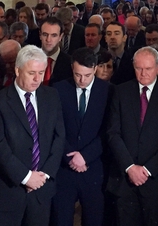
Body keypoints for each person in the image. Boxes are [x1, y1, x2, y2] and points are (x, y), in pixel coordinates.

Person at [0, 45, 66, 225]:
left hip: (41, 192)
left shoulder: (51, 96)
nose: (37, 79)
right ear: (17, 70)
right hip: (7, 192)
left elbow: (59, 138)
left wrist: (43, 175)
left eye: (41, 72)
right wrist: (26, 177)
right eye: (32, 73)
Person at [106, 47, 158, 226]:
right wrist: (130, 167)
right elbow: (113, 133)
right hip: (125, 182)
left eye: (148, 69)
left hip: (157, 182)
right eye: (138, 68)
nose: (143, 73)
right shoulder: (121, 92)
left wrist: (147, 170)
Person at [53, 48, 111, 226]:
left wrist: (85, 156)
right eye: (78, 74)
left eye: (86, 75)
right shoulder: (58, 89)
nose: (82, 80)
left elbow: (109, 131)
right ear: (72, 68)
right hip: (65, 169)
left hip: (93, 168)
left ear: (95, 69)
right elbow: (55, 127)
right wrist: (70, 155)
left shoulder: (109, 92)